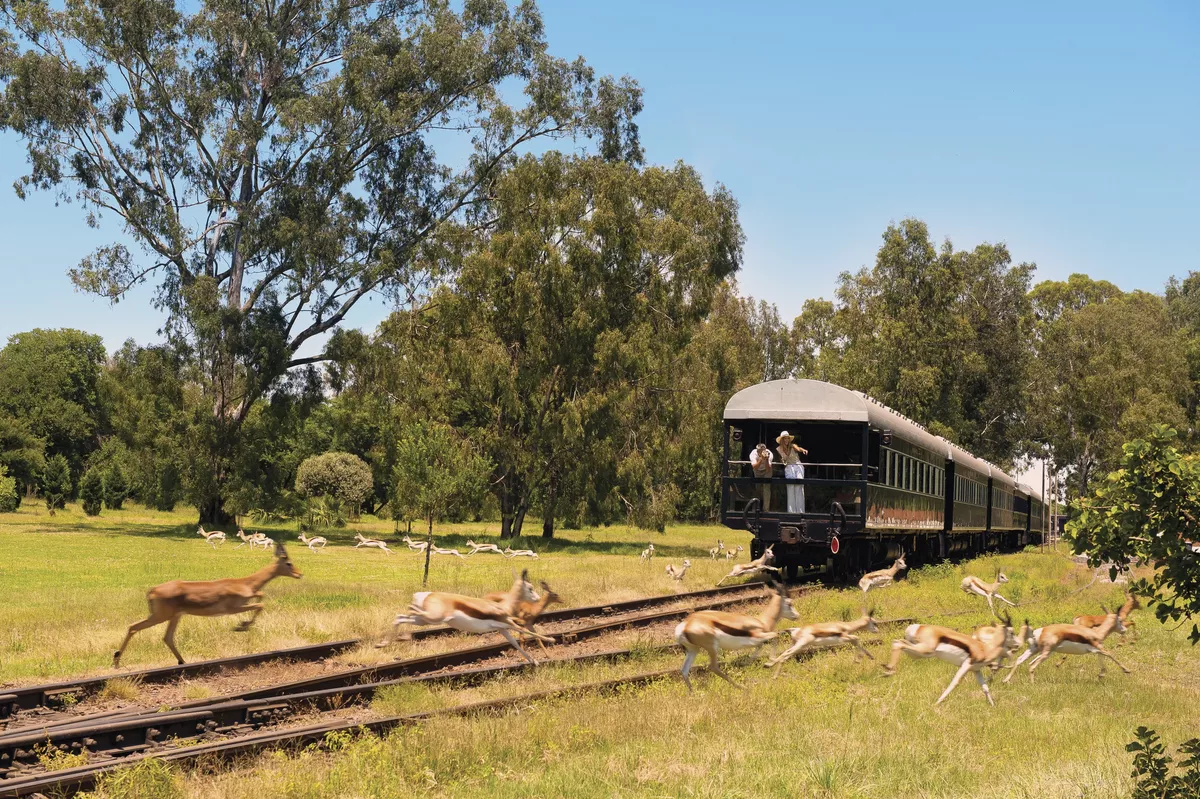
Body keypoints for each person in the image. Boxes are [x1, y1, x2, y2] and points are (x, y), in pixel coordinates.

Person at [776, 431, 809, 514]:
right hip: (788, 467)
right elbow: (781, 459)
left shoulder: (792, 445)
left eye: (787, 438)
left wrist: (803, 450)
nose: (786, 440)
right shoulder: (779, 449)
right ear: (782, 440)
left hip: (798, 466)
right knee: (790, 488)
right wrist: (783, 461)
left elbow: (798, 448)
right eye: (785, 438)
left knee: (799, 487)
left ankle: (801, 512)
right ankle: (791, 513)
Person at [749, 442, 774, 511]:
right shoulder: (753, 454)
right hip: (757, 471)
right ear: (757, 451)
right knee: (757, 488)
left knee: (766, 488)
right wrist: (761, 459)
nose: (762, 452)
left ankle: (766, 510)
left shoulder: (770, 454)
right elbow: (755, 467)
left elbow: (768, 469)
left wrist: (766, 459)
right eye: (760, 451)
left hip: (767, 471)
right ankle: (755, 509)